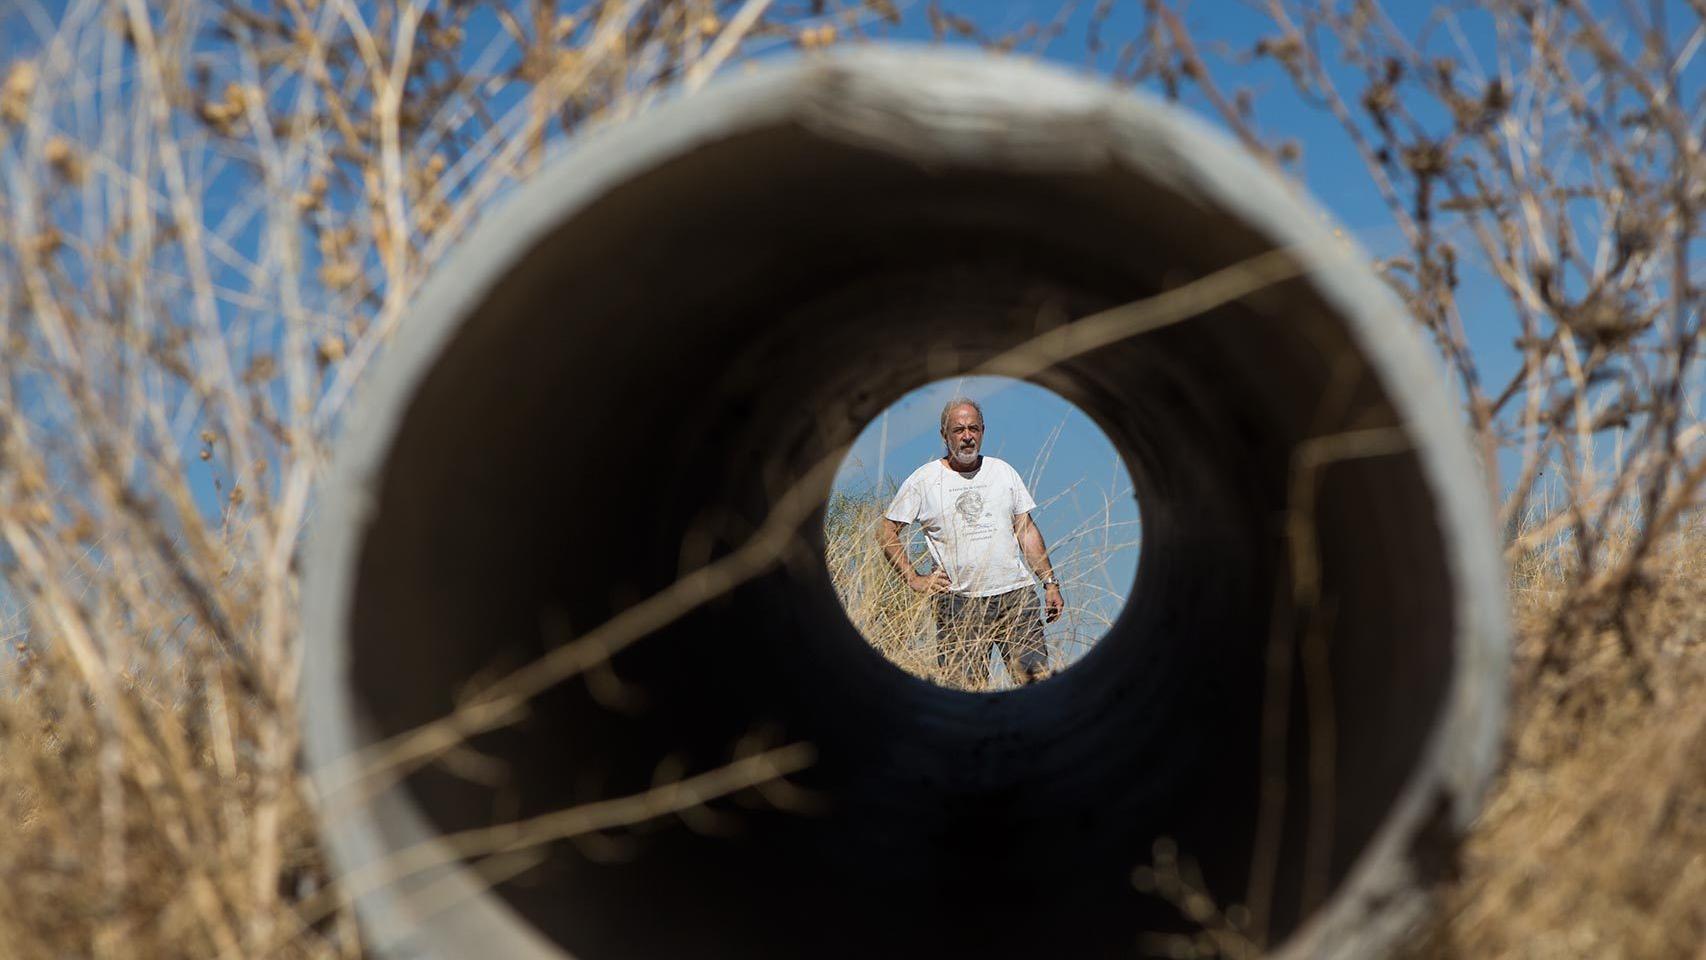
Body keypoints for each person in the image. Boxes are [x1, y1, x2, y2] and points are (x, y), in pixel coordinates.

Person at [878, 398, 1065, 688]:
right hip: (958, 603)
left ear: (983, 431)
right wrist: (914, 578)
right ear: (944, 435)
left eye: (973, 429)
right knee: (966, 694)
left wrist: (1050, 582)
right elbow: (887, 531)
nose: (967, 436)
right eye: (959, 430)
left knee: (1036, 686)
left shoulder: (1002, 472)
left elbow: (1025, 529)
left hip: (1016, 596)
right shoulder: (924, 480)